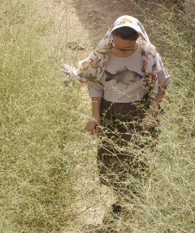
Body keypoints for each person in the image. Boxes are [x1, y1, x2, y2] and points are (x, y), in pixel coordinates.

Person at [63, 15, 171, 220]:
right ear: (111, 37)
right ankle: (123, 201)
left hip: (137, 114)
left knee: (135, 159)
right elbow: (95, 85)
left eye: (126, 49)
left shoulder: (148, 54)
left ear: (137, 40)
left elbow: (164, 82)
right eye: (117, 46)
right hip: (110, 112)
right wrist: (95, 116)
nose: (120, 52)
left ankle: (133, 206)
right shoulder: (102, 55)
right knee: (112, 158)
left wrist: (153, 112)